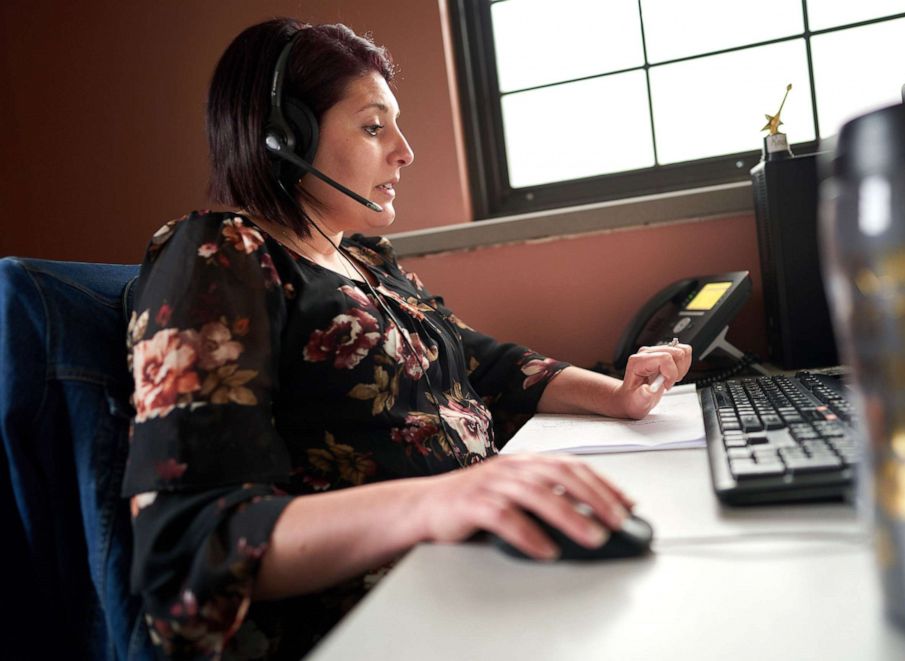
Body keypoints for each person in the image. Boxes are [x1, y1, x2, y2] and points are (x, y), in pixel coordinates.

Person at [124, 17, 692, 659]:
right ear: (284, 139)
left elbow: (485, 364)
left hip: (470, 568)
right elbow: (190, 544)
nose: (404, 150)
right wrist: (437, 502)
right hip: (365, 621)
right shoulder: (221, 255)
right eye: (372, 126)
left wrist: (616, 393)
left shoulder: (368, 262)